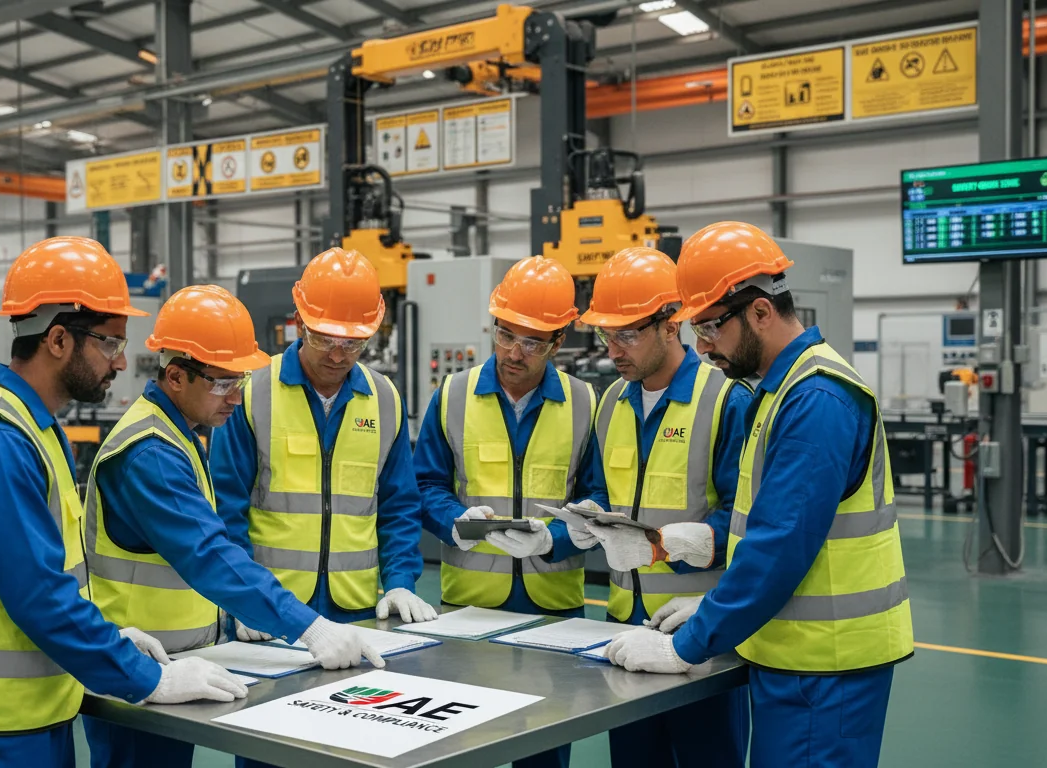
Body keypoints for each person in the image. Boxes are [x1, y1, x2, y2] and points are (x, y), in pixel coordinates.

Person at [0, 237, 247, 768]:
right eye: (109, 343)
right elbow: (39, 596)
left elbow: (50, 578)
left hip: (27, 711)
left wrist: (111, 638)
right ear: (58, 339)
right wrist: (149, 678)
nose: (121, 361)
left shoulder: (34, 429)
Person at [605, 222, 914, 768]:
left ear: (761, 312)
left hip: (826, 669)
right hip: (796, 658)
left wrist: (686, 645)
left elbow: (779, 546)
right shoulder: (776, 392)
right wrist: (713, 604)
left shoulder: (815, 398)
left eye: (709, 328)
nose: (702, 346)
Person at [83, 285, 385, 768]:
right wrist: (309, 627)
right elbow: (208, 554)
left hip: (169, 663)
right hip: (141, 672)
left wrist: (233, 615)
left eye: (240, 380)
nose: (237, 397)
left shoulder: (177, 435)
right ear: (176, 376)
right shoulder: (151, 453)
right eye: (223, 383)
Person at [212, 248, 433, 767]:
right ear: (299, 320)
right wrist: (242, 601)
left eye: (353, 341)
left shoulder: (384, 399)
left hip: (357, 616)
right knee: (267, 752)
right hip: (272, 618)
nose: (337, 354)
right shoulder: (253, 391)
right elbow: (225, 510)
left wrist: (400, 580)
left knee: (355, 752)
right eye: (324, 338)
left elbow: (399, 505)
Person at [414, 255, 602, 768]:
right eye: (505, 335)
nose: (514, 353)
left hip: (554, 609)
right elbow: (425, 484)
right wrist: (455, 523)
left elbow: (601, 497)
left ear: (558, 341)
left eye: (532, 342)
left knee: (545, 749)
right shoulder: (452, 396)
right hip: (468, 607)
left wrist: (555, 538)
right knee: (460, 748)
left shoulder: (585, 403)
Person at [569, 247, 749, 768]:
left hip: (700, 635)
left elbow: (746, 518)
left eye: (626, 335)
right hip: (625, 631)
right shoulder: (612, 402)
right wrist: (589, 517)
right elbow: (606, 491)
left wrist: (672, 543)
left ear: (672, 325)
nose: (612, 351)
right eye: (605, 335)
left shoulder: (725, 399)